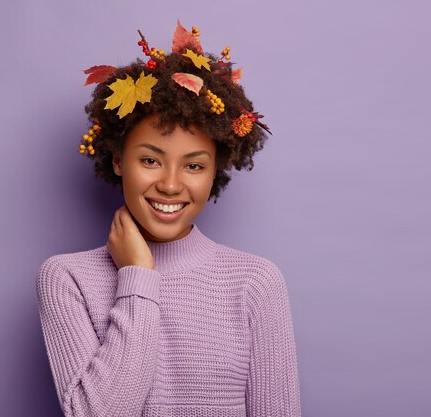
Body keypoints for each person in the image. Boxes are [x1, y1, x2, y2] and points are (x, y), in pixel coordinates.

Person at [36, 21, 301, 417]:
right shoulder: (66, 279)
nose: (172, 184)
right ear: (117, 160)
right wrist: (137, 275)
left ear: (216, 172)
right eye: (149, 160)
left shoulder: (255, 283)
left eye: (194, 166)